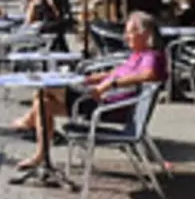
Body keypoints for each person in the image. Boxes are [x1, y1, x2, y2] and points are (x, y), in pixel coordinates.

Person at [12, 11, 165, 174]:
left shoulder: (151, 56)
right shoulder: (137, 55)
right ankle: (40, 156)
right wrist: (87, 79)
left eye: (130, 32)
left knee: (46, 88)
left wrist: (110, 85)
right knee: (43, 104)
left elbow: (150, 74)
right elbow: (113, 73)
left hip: (107, 106)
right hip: (97, 100)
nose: (126, 37)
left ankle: (28, 122)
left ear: (145, 33)